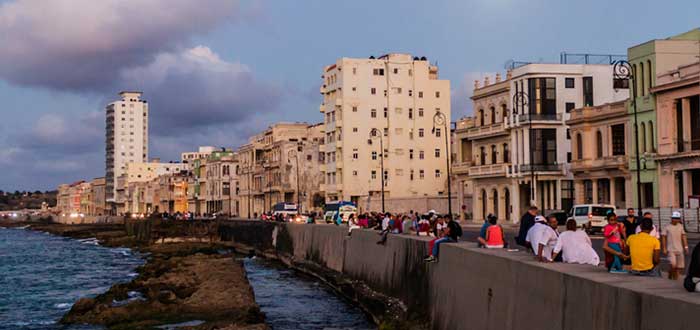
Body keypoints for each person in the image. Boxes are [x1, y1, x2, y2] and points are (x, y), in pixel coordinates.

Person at [661, 211, 689, 280]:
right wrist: (664, 248)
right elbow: (663, 237)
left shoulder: (681, 227)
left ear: (679, 219)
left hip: (679, 249)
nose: (676, 220)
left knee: (680, 267)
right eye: (674, 218)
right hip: (671, 249)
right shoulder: (667, 227)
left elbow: (683, 237)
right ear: (671, 218)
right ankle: (673, 277)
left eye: (677, 218)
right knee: (673, 265)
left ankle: (673, 276)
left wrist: (686, 247)